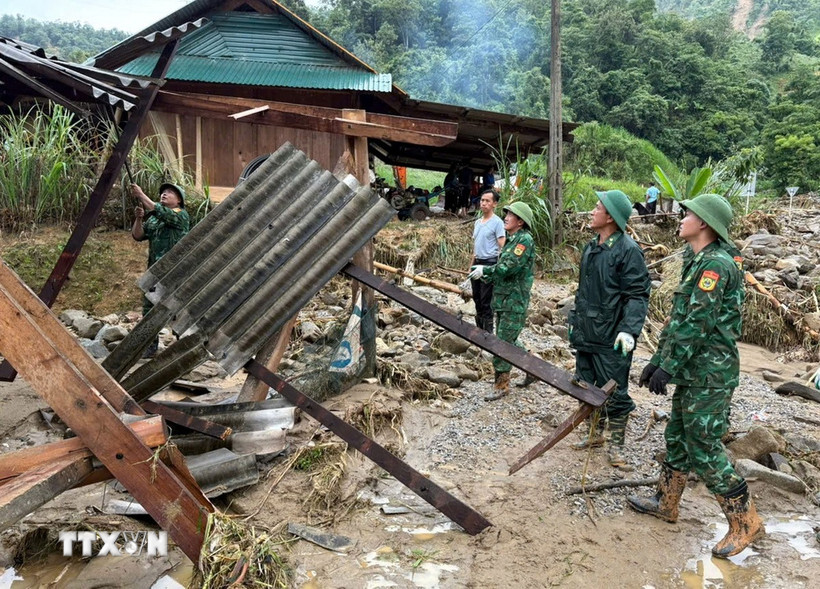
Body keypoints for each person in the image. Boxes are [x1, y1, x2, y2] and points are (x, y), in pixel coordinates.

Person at [628, 193, 764, 559]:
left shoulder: (715, 265)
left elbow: (699, 323)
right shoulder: (698, 259)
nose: (681, 217)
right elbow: (680, 321)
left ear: (703, 222)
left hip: (710, 374)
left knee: (704, 446)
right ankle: (665, 502)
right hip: (693, 371)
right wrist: (658, 360)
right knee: (677, 436)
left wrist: (670, 365)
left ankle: (745, 522)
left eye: (686, 213)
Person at [568, 190, 650, 468]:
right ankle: (594, 434)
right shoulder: (592, 247)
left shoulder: (628, 250)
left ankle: (617, 446)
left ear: (611, 217)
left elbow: (637, 295)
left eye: (597, 207)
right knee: (586, 384)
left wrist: (629, 330)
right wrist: (575, 324)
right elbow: (584, 292)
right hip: (587, 332)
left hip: (612, 336)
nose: (592, 211)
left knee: (615, 393)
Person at [469, 201, 535, 401]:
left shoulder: (524, 241)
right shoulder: (513, 240)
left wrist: (485, 270)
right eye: (505, 214)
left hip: (514, 301)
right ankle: (532, 366)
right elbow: (502, 271)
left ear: (521, 221)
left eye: (510, 215)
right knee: (508, 339)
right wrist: (481, 276)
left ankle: (502, 385)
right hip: (504, 299)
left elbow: (508, 268)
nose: (505, 217)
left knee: (502, 344)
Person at [131, 182, 190, 356]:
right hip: (155, 271)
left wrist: (141, 195)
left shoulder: (181, 215)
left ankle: (183, 346)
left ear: (179, 200)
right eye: (163, 192)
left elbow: (163, 213)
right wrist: (139, 219)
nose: (164, 194)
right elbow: (138, 235)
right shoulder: (155, 217)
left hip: (175, 272)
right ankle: (149, 347)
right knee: (149, 308)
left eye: (170, 193)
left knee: (177, 308)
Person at [470, 189, 506, 333]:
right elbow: (475, 248)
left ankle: (488, 335)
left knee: (486, 301)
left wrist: (501, 265)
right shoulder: (478, 222)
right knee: (477, 298)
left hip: (489, 263)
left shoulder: (497, 223)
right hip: (476, 263)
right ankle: (479, 331)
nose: (484, 204)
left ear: (494, 204)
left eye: (487, 201)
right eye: (482, 200)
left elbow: (502, 244)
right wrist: (470, 268)